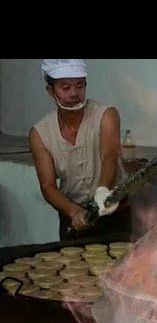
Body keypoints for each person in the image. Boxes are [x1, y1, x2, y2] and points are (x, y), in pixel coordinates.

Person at [29, 59, 130, 241]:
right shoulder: (40, 134)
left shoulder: (106, 115)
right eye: (65, 88)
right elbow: (48, 186)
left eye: (80, 86)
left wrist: (102, 191)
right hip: (72, 215)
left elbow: (109, 156)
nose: (74, 93)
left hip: (114, 213)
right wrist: (74, 211)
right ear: (50, 91)